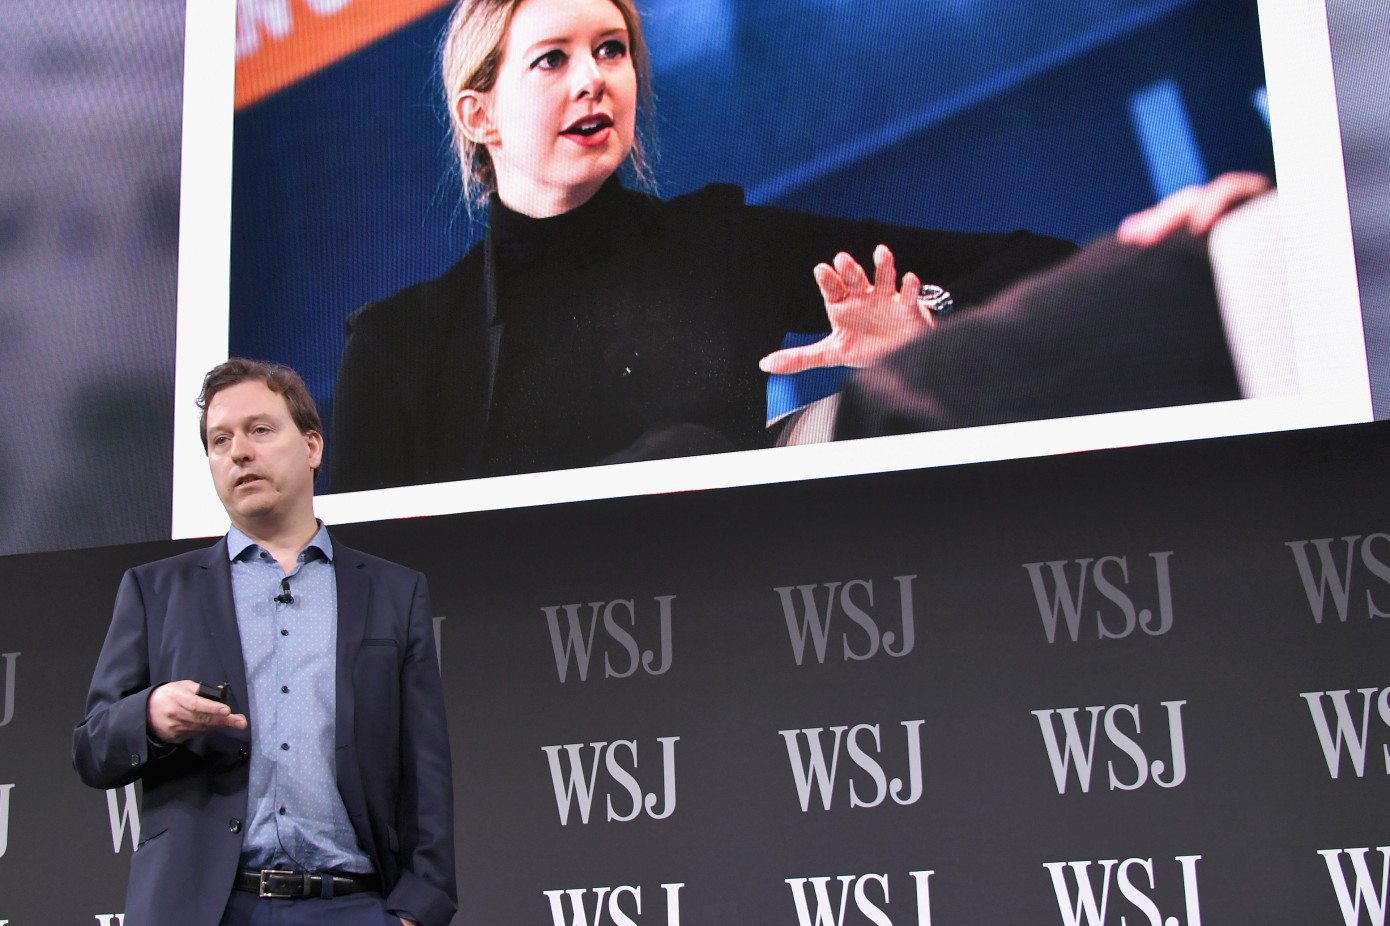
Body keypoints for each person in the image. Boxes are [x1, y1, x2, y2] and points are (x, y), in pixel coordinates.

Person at [328, 0, 1268, 493]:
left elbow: (1017, 262)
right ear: (479, 115)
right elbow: (360, 598)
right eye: (553, 58)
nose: (595, 80)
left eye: (612, 49)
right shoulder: (400, 343)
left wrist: (927, 325)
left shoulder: (712, 245)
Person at [72, 359, 456, 926]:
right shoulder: (155, 591)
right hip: (202, 910)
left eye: (259, 430)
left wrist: (416, 912)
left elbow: (425, 769)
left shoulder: (394, 592)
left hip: (351, 906)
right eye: (220, 440)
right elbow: (91, 748)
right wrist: (149, 716)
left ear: (312, 447)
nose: (239, 453)